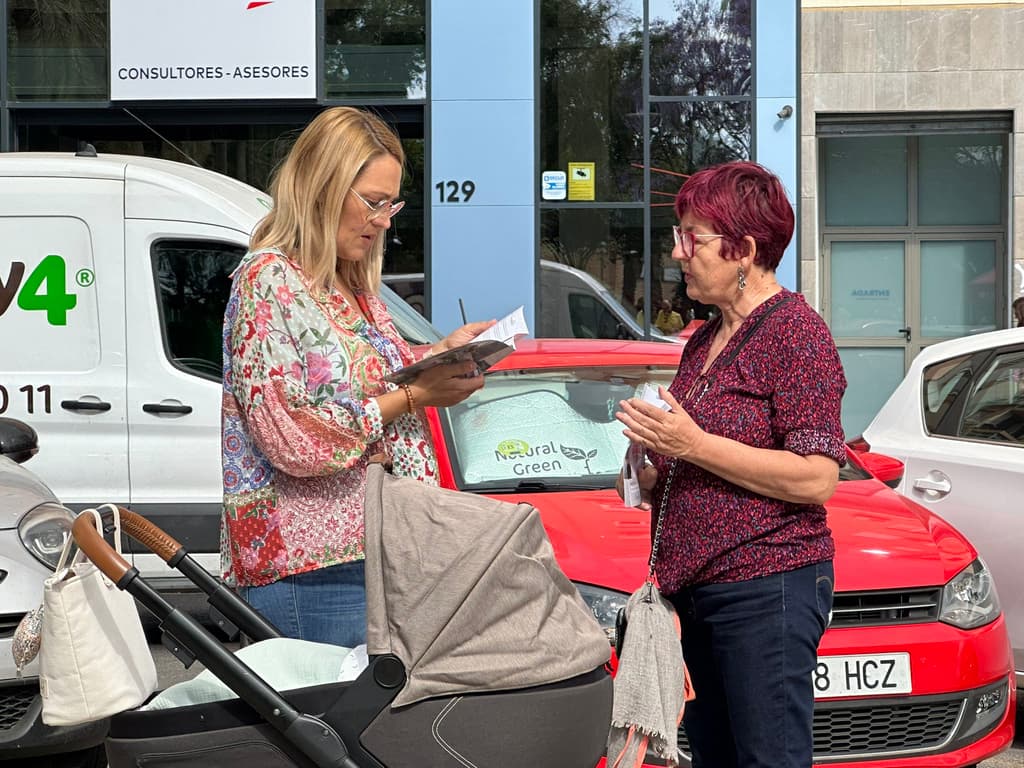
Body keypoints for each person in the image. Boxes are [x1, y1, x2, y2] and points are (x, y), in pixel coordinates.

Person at [221, 107, 495, 647]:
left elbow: (361, 381)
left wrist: (437, 354)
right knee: (335, 730)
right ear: (321, 188)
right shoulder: (267, 279)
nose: (385, 219)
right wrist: (416, 395)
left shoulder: (351, 284)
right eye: (373, 202)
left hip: (378, 548)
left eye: (392, 204)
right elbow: (293, 438)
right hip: (311, 568)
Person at [614, 160, 846, 768]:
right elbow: (699, 455)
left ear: (743, 249)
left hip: (767, 583)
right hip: (700, 590)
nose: (676, 252)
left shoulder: (796, 332)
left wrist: (691, 445)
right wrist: (656, 468)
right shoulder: (703, 338)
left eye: (691, 238)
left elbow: (818, 475)